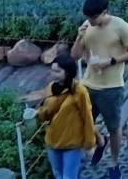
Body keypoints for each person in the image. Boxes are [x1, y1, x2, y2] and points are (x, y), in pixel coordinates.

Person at [71, 0, 128, 179]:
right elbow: (75, 55)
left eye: (94, 17)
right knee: (82, 120)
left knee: (114, 126)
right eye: (88, 17)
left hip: (111, 87)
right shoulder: (87, 28)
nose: (90, 21)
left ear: (104, 12)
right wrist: (79, 38)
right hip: (88, 83)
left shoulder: (120, 26)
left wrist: (111, 61)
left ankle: (114, 163)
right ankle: (101, 142)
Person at [36, 51, 97, 179]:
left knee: (68, 177)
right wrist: (39, 113)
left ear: (67, 72)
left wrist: (90, 144)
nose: (53, 74)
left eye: (57, 71)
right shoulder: (51, 87)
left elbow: (87, 117)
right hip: (53, 141)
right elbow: (44, 113)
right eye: (52, 71)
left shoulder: (79, 91)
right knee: (58, 175)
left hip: (72, 143)